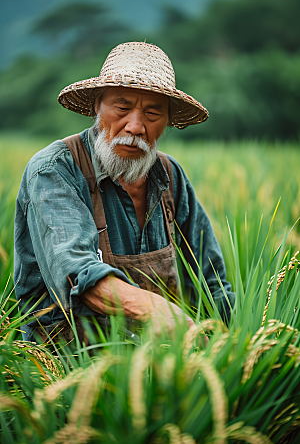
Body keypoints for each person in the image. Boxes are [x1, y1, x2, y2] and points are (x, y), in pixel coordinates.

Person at [14, 42, 234, 343]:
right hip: (65, 367)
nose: (135, 126)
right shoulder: (55, 170)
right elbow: (78, 274)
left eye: (153, 113)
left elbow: (213, 286)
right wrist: (158, 309)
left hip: (158, 368)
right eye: (122, 107)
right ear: (96, 105)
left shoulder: (170, 178)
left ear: (167, 121)